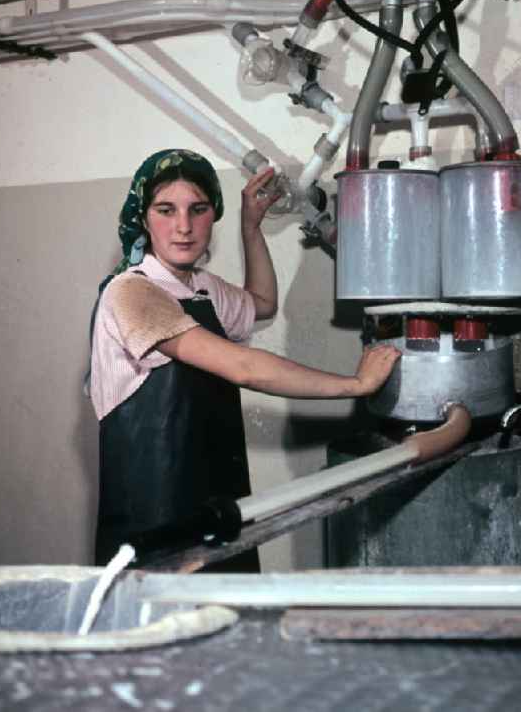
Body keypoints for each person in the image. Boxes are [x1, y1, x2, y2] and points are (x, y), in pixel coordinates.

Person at [89, 149, 399, 570]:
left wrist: (251, 228)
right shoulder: (131, 293)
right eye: (166, 210)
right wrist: (355, 385)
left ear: (211, 215)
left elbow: (263, 303)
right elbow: (243, 367)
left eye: (197, 209)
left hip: (218, 511)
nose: (183, 227)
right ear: (144, 218)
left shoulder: (201, 288)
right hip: (152, 526)